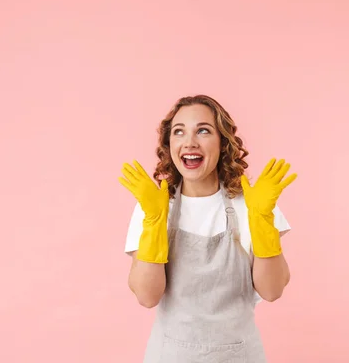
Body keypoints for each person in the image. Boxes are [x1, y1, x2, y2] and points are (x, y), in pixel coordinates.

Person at [118, 95, 297, 362]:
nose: (189, 142)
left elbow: (272, 291)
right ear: (170, 144)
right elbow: (146, 296)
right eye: (179, 132)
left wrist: (262, 220)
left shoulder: (252, 205)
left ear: (223, 143)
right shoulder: (153, 207)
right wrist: (155, 222)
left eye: (203, 130)